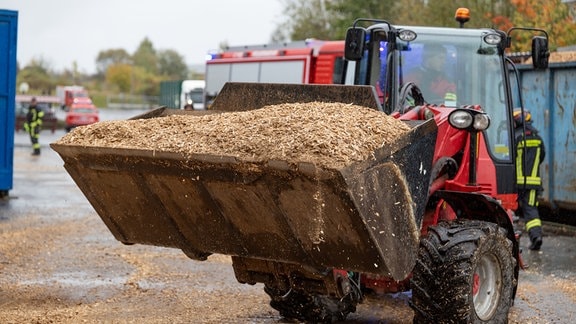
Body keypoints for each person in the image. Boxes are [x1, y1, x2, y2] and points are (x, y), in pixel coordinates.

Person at [513, 108, 545, 250]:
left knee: (510, 210)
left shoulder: (516, 136)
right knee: (531, 209)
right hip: (533, 183)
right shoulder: (538, 137)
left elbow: (510, 158)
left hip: (515, 183)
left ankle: (511, 241)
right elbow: (542, 156)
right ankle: (536, 237)